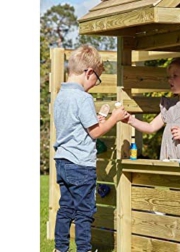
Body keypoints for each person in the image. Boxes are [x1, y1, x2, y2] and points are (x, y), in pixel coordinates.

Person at [52, 44, 129, 252]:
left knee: (66, 207)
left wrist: (99, 119)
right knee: (85, 211)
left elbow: (77, 126)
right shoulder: (83, 98)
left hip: (63, 161)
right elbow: (95, 133)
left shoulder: (61, 96)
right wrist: (115, 117)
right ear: (88, 72)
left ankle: (60, 248)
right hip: (80, 165)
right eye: (97, 78)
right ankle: (84, 249)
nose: (95, 84)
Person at [124, 57, 180, 160]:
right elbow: (151, 127)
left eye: (175, 76)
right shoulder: (170, 106)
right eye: (169, 76)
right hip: (169, 159)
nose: (170, 79)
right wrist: (130, 120)